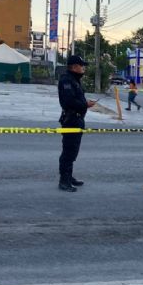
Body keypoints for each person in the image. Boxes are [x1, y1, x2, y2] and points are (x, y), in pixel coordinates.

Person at [58, 55, 97, 192]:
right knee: (68, 151)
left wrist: (85, 104)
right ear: (74, 67)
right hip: (71, 120)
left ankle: (69, 176)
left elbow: (76, 99)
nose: (83, 68)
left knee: (73, 150)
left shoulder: (74, 80)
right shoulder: (67, 81)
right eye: (81, 65)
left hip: (78, 119)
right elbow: (68, 102)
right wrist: (85, 104)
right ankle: (64, 180)